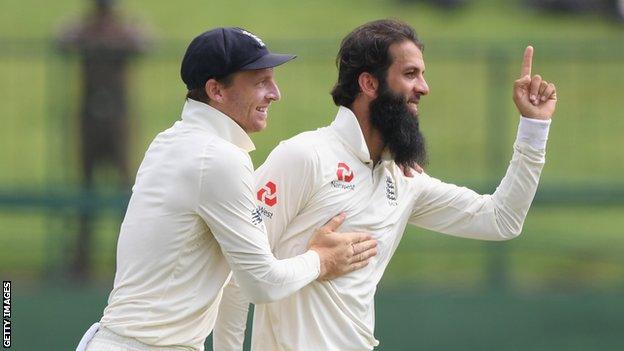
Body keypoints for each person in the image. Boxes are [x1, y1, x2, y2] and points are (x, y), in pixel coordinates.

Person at [214, 19, 557, 350]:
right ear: (369, 84)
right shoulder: (304, 156)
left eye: (421, 74)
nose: (424, 87)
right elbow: (238, 278)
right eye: (410, 74)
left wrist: (534, 127)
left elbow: (501, 220)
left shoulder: (403, 177)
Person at [76, 27, 378, 351]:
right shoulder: (219, 158)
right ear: (216, 90)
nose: (275, 93)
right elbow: (262, 282)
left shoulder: (171, 142)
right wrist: (321, 259)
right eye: (260, 82)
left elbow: (234, 272)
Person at [57, 0, 148, 281]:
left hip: (116, 122)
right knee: (86, 190)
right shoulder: (86, 32)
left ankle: (126, 260)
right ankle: (80, 262)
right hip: (91, 121)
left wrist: (115, 32)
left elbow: (144, 43)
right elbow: (63, 40)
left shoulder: (122, 33)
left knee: (124, 191)